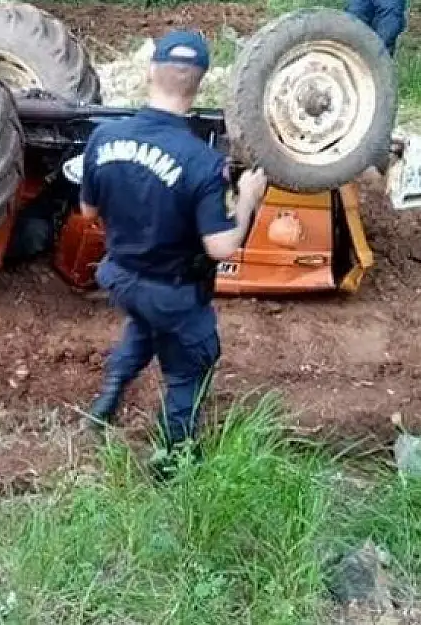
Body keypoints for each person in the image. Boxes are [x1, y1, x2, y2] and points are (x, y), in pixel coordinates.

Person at [78, 29, 268, 477]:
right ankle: (171, 463)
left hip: (122, 277)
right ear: (200, 83)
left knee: (143, 326)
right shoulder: (201, 161)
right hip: (174, 293)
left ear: (150, 73)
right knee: (190, 368)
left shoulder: (102, 139)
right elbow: (221, 247)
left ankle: (104, 404)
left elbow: (87, 211)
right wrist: (248, 198)